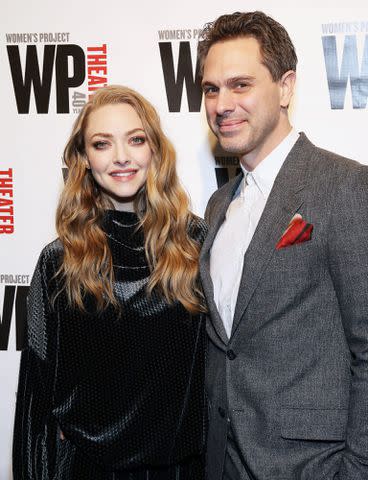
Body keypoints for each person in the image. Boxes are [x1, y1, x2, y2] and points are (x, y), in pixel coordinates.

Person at [198, 11, 368, 480]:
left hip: (312, 466)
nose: (222, 104)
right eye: (211, 89)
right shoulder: (217, 206)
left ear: (286, 87)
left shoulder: (345, 187)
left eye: (240, 85)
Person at [12, 85, 207, 480]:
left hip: (182, 470)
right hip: (87, 470)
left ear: (155, 149)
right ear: (83, 158)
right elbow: (37, 392)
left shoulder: (198, 244)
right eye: (102, 144)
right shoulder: (58, 261)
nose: (121, 157)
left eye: (135, 140)